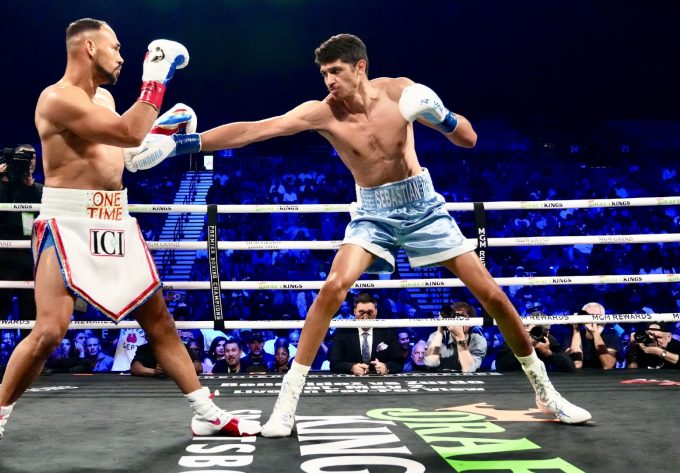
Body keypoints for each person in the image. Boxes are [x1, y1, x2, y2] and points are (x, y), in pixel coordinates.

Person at [126, 33, 591, 435]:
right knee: (333, 287)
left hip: (424, 206)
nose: (329, 81)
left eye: (336, 71)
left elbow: (467, 139)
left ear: (360, 67)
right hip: (372, 212)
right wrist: (178, 145)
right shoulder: (323, 112)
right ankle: (286, 405)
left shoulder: (401, 92)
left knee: (491, 295)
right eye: (324, 73)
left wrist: (442, 116)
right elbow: (256, 130)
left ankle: (546, 393)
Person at [0, 18, 259, 463]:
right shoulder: (57, 98)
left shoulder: (103, 99)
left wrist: (162, 140)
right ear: (88, 48)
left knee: (160, 323)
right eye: (115, 47)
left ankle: (206, 413)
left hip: (115, 220)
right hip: (68, 222)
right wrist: (156, 78)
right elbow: (128, 133)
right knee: (49, 330)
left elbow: (124, 154)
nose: (122, 56)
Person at [0, 144, 44, 377]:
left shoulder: (38, 188)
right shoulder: (2, 183)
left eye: (32, 156)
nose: (29, 160)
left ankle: (29, 363)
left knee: (31, 310)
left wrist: (29, 184)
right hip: (6, 254)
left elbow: (44, 213)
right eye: (24, 156)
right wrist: (3, 179)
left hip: (31, 254)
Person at [328, 293, 404, 375]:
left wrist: (386, 367)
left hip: (380, 378)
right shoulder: (342, 331)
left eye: (369, 312)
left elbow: (398, 362)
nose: (365, 316)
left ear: (376, 311)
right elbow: (334, 363)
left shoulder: (388, 331)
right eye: (361, 312)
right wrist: (351, 367)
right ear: (354, 312)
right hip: (352, 379)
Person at [424, 302, 487, 373]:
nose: (457, 320)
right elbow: (430, 363)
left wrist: (459, 336)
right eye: (455, 316)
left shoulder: (478, 340)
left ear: (471, 322)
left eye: (462, 316)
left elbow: (469, 370)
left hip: (467, 379)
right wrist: (440, 329)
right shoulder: (436, 336)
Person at [566, 302, 620, 370]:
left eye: (597, 316)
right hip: (579, 376)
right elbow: (576, 364)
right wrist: (576, 330)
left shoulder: (612, 337)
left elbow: (608, 365)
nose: (593, 320)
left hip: (603, 376)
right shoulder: (570, 337)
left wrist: (595, 333)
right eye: (589, 316)